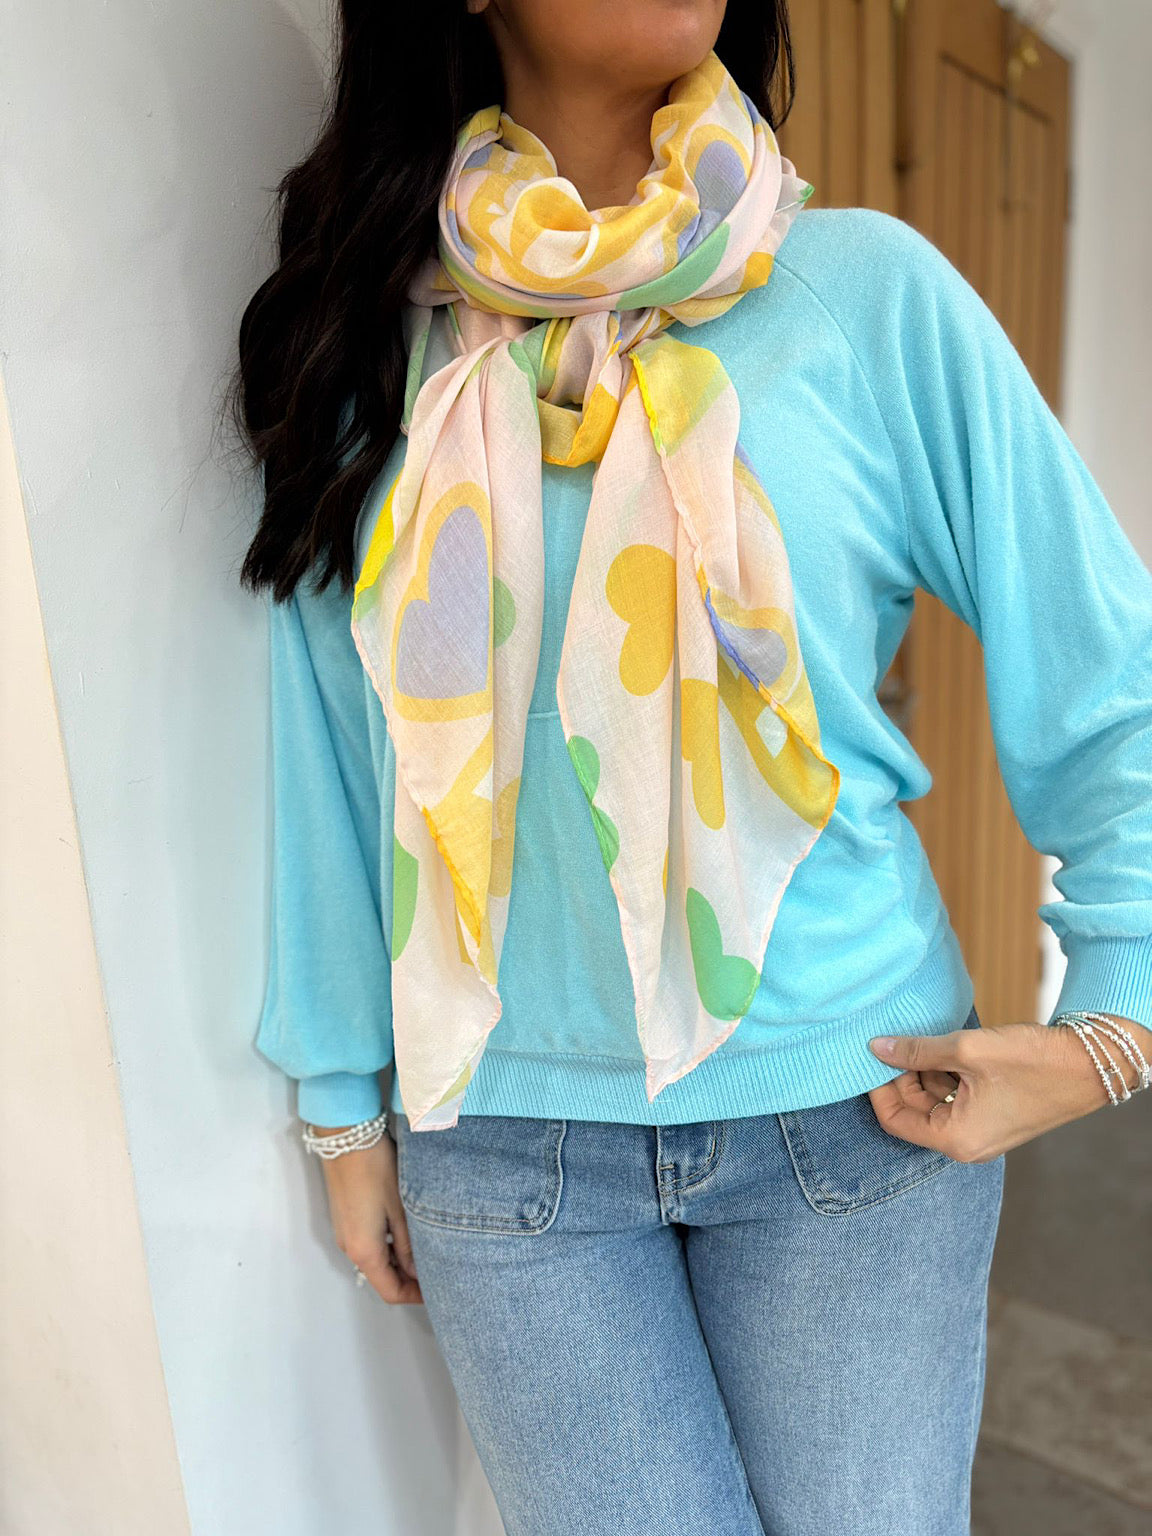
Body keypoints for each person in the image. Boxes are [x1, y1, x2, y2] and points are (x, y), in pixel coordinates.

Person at [234, 3, 1152, 1532]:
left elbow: (1111, 672)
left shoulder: (862, 295)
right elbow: (339, 744)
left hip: (858, 1116)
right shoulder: (371, 338)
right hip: (506, 1143)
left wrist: (1117, 1014)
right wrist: (339, 1102)